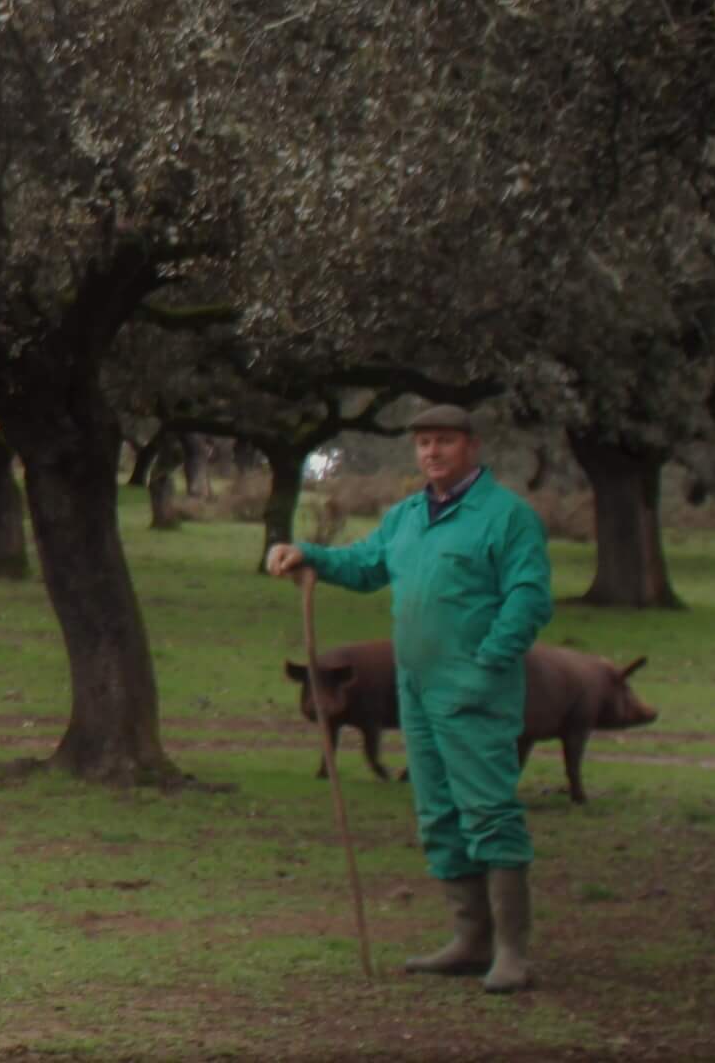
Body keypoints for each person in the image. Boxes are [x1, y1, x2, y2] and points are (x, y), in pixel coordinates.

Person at [264, 404, 552, 993]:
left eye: (443, 441)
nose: (431, 453)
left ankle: (511, 952)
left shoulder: (506, 518)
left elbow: (528, 598)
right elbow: (368, 564)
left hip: (476, 687)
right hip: (415, 691)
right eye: (423, 443)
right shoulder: (408, 517)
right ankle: (469, 939)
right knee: (438, 813)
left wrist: (489, 662)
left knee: (488, 810)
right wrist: (309, 555)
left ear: (471, 446)